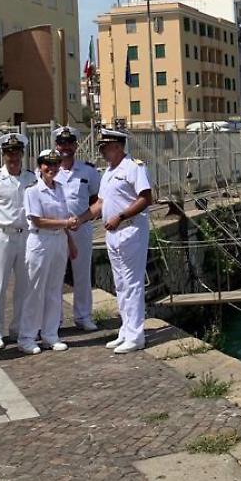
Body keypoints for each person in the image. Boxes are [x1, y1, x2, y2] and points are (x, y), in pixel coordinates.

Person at [85, 129, 153, 354]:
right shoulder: (109, 172)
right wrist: (80, 218)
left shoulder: (134, 166)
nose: (102, 151)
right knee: (121, 284)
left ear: (116, 145)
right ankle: (126, 329)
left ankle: (136, 335)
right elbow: (100, 204)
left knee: (132, 284)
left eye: (104, 147)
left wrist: (122, 216)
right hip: (113, 233)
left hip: (130, 230)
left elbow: (145, 197)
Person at [0, 132, 36, 350]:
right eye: (8, 153)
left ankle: (18, 327)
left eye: (16, 152)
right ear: (3, 155)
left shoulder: (31, 177)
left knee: (24, 284)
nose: (13, 157)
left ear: (22, 153)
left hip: (26, 235)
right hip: (2, 235)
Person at [18, 149, 79, 354]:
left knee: (54, 290)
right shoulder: (32, 191)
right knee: (35, 290)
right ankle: (27, 336)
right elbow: (37, 220)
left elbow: (64, 218)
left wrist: (70, 241)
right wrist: (65, 223)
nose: (51, 168)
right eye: (47, 165)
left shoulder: (60, 189)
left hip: (59, 240)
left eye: (55, 164)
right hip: (40, 241)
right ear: (40, 167)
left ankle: (50, 334)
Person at [53, 125, 101, 331]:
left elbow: (97, 200)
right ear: (56, 146)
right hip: (54, 230)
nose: (66, 147)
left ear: (75, 145)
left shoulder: (88, 171)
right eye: (62, 143)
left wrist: (81, 219)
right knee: (54, 276)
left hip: (80, 228)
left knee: (82, 273)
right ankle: (54, 320)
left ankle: (83, 316)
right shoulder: (46, 170)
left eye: (69, 143)